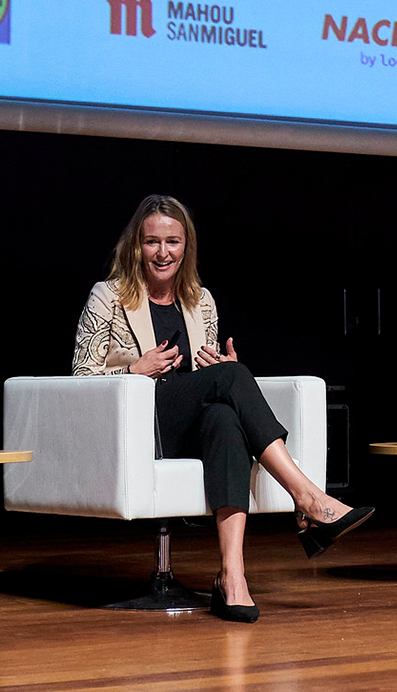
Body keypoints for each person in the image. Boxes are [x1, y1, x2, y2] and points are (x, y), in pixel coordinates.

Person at [71, 194, 374, 622]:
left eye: (173, 242)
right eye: (151, 242)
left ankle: (232, 578)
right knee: (231, 380)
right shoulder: (108, 296)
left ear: (186, 247)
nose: (162, 253)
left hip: (187, 421)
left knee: (224, 418)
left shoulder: (201, 301)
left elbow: (204, 376)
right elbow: (80, 378)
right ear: (135, 246)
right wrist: (135, 371)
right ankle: (308, 499)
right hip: (138, 424)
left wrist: (221, 371)